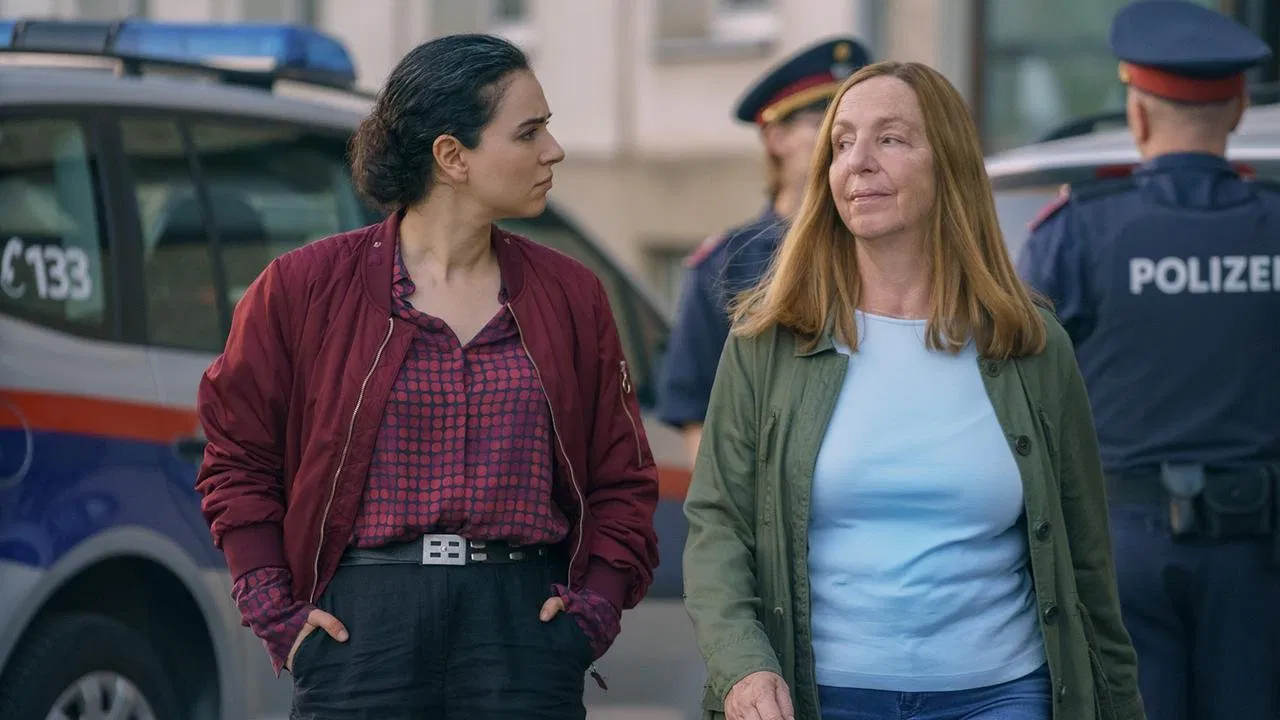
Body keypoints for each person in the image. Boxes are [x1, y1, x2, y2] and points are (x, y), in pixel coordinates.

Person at [193, 33, 660, 719]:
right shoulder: (303, 288)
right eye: (528, 132)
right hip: (360, 632)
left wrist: (592, 614)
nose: (553, 150)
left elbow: (623, 478)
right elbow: (237, 459)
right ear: (452, 156)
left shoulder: (572, 295)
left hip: (524, 631)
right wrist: (276, 612)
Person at [682, 60, 1144, 720]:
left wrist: (1120, 703)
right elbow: (718, 525)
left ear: (946, 163)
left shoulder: (1031, 344)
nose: (859, 162)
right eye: (843, 142)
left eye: (891, 139)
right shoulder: (770, 339)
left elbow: (1088, 560)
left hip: (1003, 694)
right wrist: (743, 667)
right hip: (822, 696)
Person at [1016, 2, 1280, 719]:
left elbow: (1016, 396)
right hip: (1258, 556)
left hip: (1117, 549)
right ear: (1239, 109)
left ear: (1136, 113)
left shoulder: (1076, 230)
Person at [656, 37, 871, 467]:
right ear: (777, 137)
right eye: (825, 123)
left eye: (855, 128)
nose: (843, 142)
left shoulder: (883, 247)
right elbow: (698, 417)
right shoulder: (727, 264)